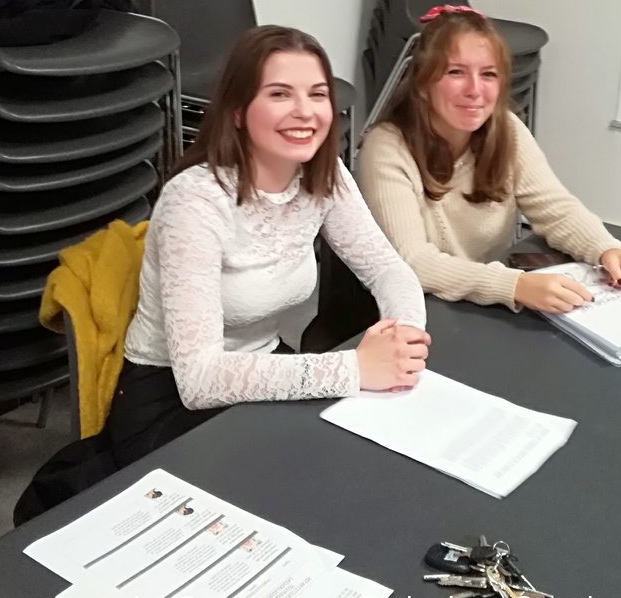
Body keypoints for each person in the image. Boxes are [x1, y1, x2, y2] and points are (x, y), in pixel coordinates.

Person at [105, 25, 429, 467]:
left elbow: (386, 268)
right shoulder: (194, 201)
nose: (305, 112)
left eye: (318, 95)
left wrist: (404, 339)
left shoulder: (324, 174)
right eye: (280, 94)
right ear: (238, 111)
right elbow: (199, 380)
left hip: (266, 369)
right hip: (170, 400)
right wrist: (355, 368)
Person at [356, 6, 621, 316]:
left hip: (479, 305)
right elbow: (413, 261)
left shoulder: (506, 128)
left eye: (488, 74)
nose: (475, 90)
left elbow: (556, 210)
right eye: (456, 72)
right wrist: (515, 285)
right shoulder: (385, 147)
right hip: (407, 313)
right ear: (423, 84)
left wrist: (606, 248)